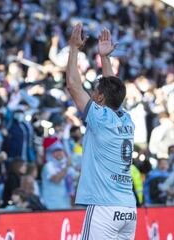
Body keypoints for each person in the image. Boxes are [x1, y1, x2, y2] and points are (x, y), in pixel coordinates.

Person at [66, 24, 136, 239]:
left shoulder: (100, 118)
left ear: (100, 99)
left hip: (104, 207)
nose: (92, 94)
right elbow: (112, 90)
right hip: (128, 210)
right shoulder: (126, 118)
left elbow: (73, 85)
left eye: (95, 92)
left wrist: (73, 49)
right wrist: (105, 58)